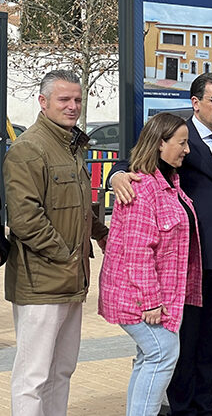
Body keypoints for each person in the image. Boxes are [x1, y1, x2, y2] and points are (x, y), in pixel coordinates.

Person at [110, 72, 212, 416]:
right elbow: (134, 163)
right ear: (196, 102)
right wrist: (116, 175)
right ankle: (182, 408)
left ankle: (204, 405)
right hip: (183, 265)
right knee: (180, 344)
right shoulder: (176, 140)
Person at [4, 70, 109, 415]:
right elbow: (25, 219)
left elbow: (78, 209)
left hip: (72, 280)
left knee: (61, 371)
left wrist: (103, 233)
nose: (73, 106)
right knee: (32, 376)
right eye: (64, 100)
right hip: (42, 282)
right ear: (43, 102)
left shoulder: (71, 145)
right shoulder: (29, 149)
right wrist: (65, 256)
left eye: (77, 99)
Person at [98, 113, 201, 416]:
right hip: (139, 298)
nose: (187, 149)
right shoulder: (142, 187)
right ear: (160, 144)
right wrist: (151, 301)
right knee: (163, 353)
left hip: (154, 296)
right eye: (181, 143)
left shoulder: (170, 182)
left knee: (150, 357)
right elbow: (138, 251)